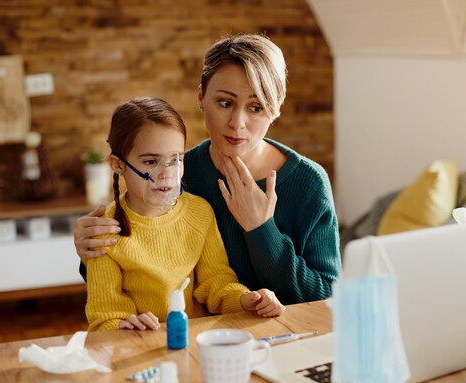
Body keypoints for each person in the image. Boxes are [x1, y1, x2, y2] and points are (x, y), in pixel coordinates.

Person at [75, 34, 341, 306]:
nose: (238, 123)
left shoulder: (309, 183)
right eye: (225, 103)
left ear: (276, 109)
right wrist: (91, 250)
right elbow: (130, 280)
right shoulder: (175, 174)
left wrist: (262, 230)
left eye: (256, 107)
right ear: (201, 96)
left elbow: (325, 298)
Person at [86, 96, 285, 332]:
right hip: (138, 351)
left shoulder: (199, 213)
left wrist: (246, 300)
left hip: (191, 342)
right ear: (119, 165)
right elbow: (104, 317)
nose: (166, 174)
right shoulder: (105, 232)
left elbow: (216, 282)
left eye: (176, 159)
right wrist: (123, 327)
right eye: (151, 161)